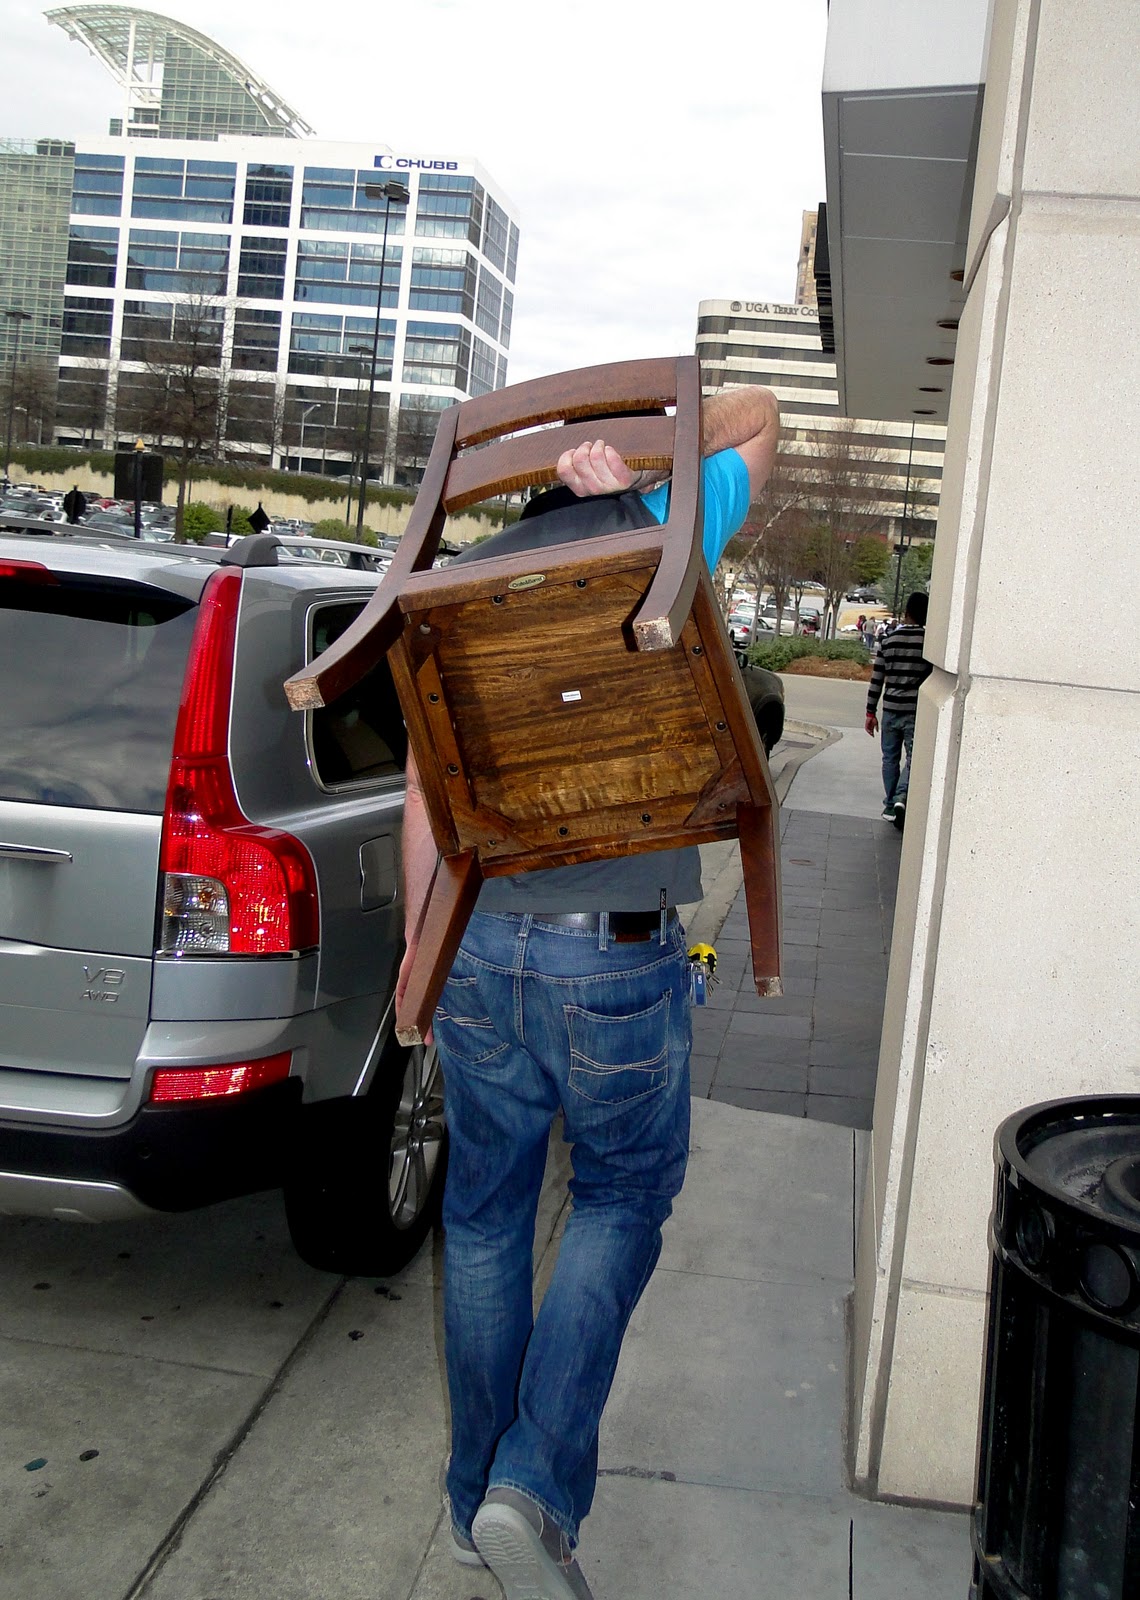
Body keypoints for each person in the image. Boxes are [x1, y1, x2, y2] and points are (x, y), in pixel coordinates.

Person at [396, 384, 780, 1600]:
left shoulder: (461, 581)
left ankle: (475, 1501)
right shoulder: (662, 529)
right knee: (621, 1196)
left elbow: (424, 793)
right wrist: (654, 467)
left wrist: (418, 951)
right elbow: (764, 416)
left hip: (479, 945)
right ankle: (533, 1484)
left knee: (484, 1218)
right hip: (613, 953)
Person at [865, 590, 931, 824]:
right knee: (914, 757)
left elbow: (876, 679)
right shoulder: (928, 643)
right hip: (914, 712)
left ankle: (890, 803)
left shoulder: (888, 640)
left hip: (891, 709)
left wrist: (870, 712)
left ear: (906, 613)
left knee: (889, 759)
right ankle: (901, 797)